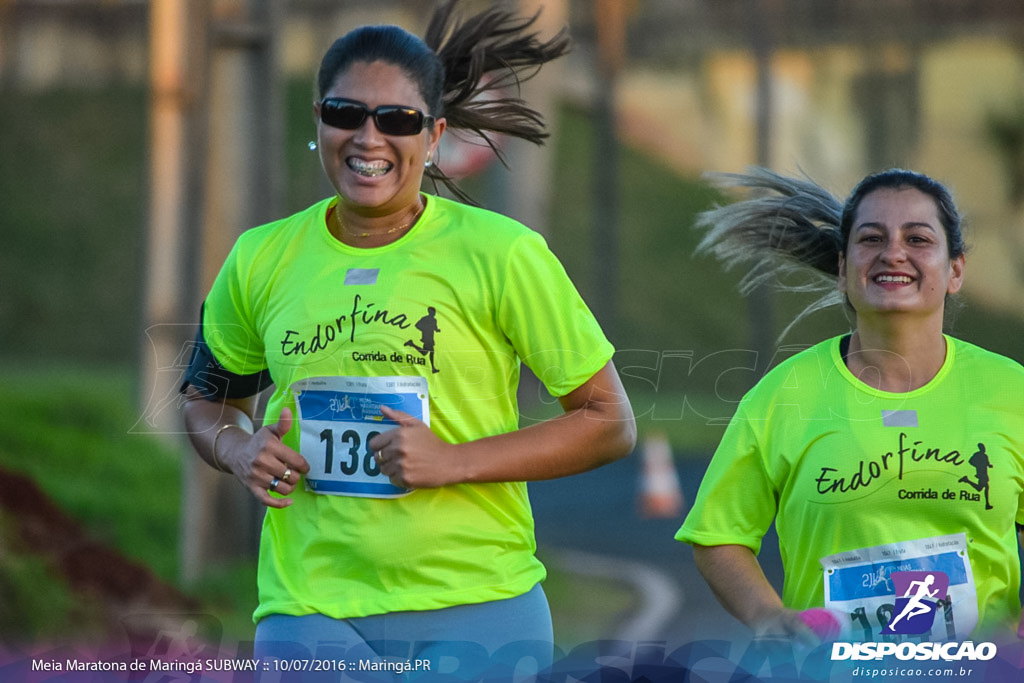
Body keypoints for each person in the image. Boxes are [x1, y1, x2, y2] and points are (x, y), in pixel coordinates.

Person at [180, 0, 636, 675]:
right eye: (346, 114)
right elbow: (205, 401)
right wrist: (238, 446)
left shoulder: (503, 254)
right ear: (319, 119)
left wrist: (453, 460)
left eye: (397, 120)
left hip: (481, 604)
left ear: (434, 134)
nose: (369, 138)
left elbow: (608, 423)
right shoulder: (260, 258)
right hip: (311, 606)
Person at [675, 167, 1024, 645]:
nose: (893, 252)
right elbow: (718, 536)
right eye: (872, 238)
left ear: (955, 270)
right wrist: (769, 618)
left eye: (918, 239)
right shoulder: (785, 394)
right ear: (843, 269)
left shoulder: (1011, 391)